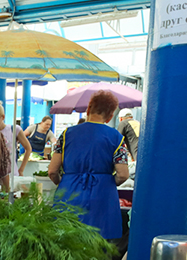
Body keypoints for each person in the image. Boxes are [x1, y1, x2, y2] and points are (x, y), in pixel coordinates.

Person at [47, 90, 129, 240]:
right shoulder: (116, 138)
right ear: (111, 116)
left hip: (69, 193)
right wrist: (107, 181)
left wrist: (65, 182)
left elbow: (52, 171)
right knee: (99, 246)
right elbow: (123, 174)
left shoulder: (66, 134)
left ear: (88, 108)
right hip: (102, 196)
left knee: (68, 246)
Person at [0, 102, 31, 187]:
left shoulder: (14, 129)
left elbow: (28, 148)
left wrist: (21, 169)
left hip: (12, 175)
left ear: (2, 117)